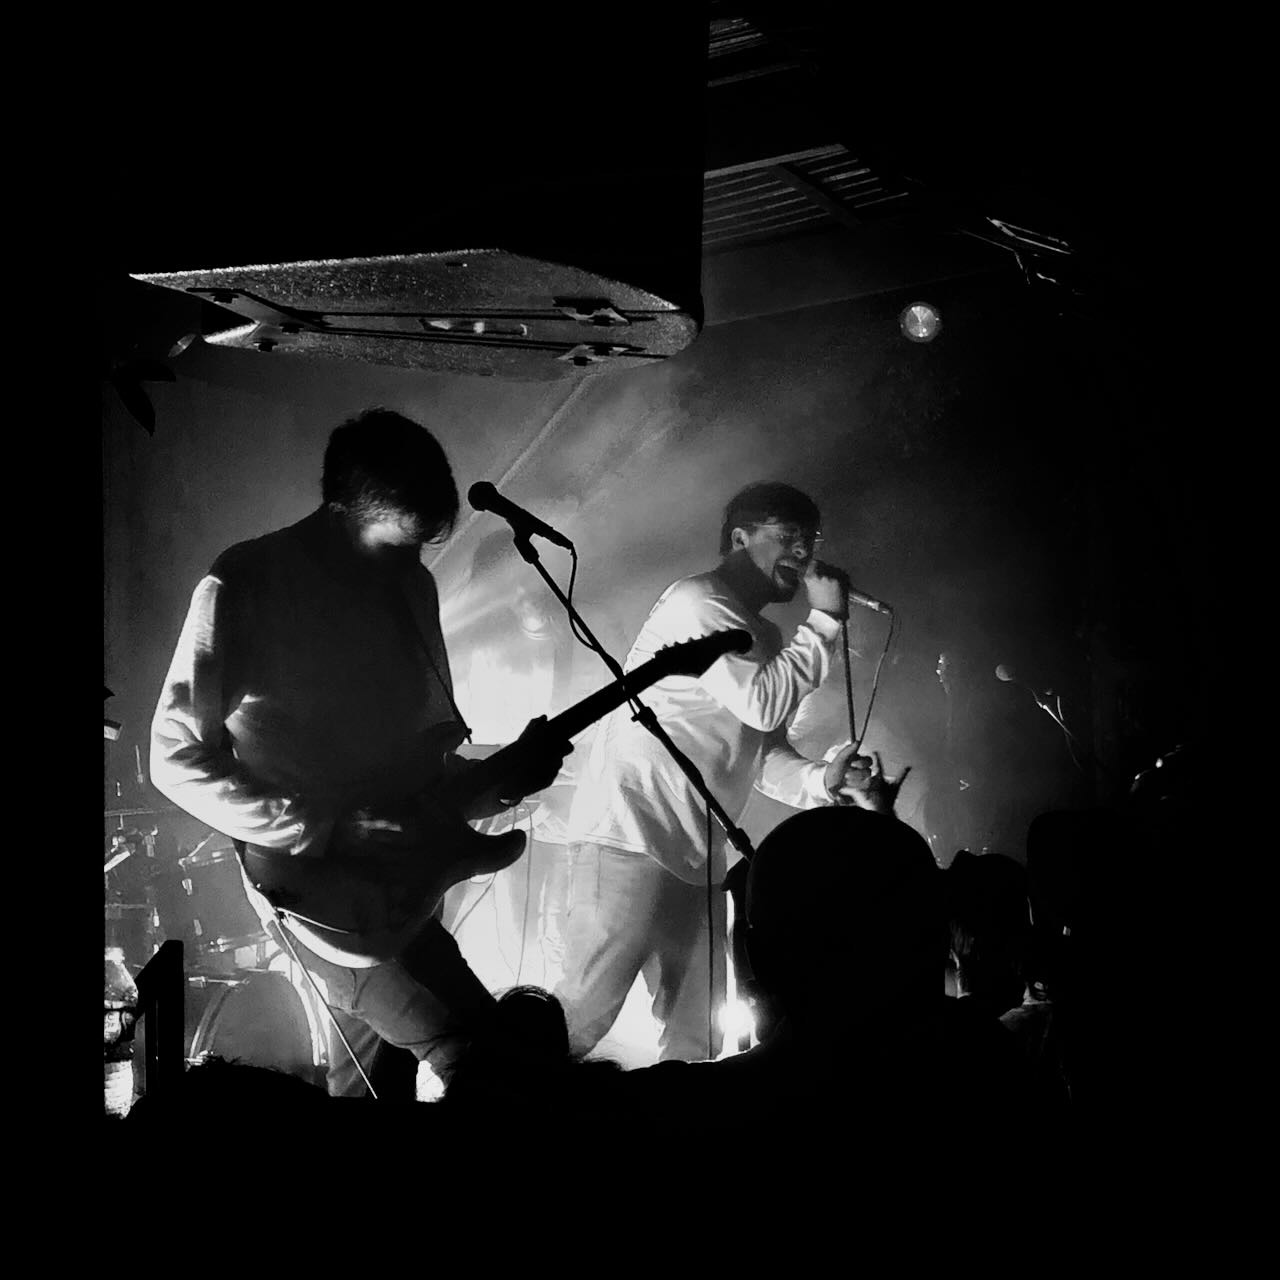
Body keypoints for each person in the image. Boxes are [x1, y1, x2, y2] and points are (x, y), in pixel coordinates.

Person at [150, 407, 569, 1099]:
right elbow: (173, 757)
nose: (411, 565)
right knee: (491, 1063)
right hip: (323, 901)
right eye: (396, 546)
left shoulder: (413, 588)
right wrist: (324, 825)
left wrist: (503, 782)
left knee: (371, 1089)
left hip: (404, 889)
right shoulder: (247, 583)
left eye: (422, 549)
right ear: (340, 511)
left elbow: (424, 767)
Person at [555, 481, 906, 1062]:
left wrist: (825, 780)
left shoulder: (764, 635)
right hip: (628, 837)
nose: (804, 552)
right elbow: (763, 702)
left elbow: (760, 750)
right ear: (740, 537)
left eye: (811, 538)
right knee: (580, 1019)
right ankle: (502, 1114)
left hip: (699, 861)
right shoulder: (698, 600)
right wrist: (822, 621)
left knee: (699, 1037)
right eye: (789, 535)